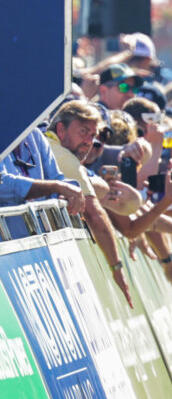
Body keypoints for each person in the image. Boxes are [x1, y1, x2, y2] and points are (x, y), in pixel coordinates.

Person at [44, 101, 134, 307]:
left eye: (93, 135)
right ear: (61, 129)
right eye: (83, 131)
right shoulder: (66, 159)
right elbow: (96, 217)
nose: (89, 141)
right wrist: (116, 268)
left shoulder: (47, 145)